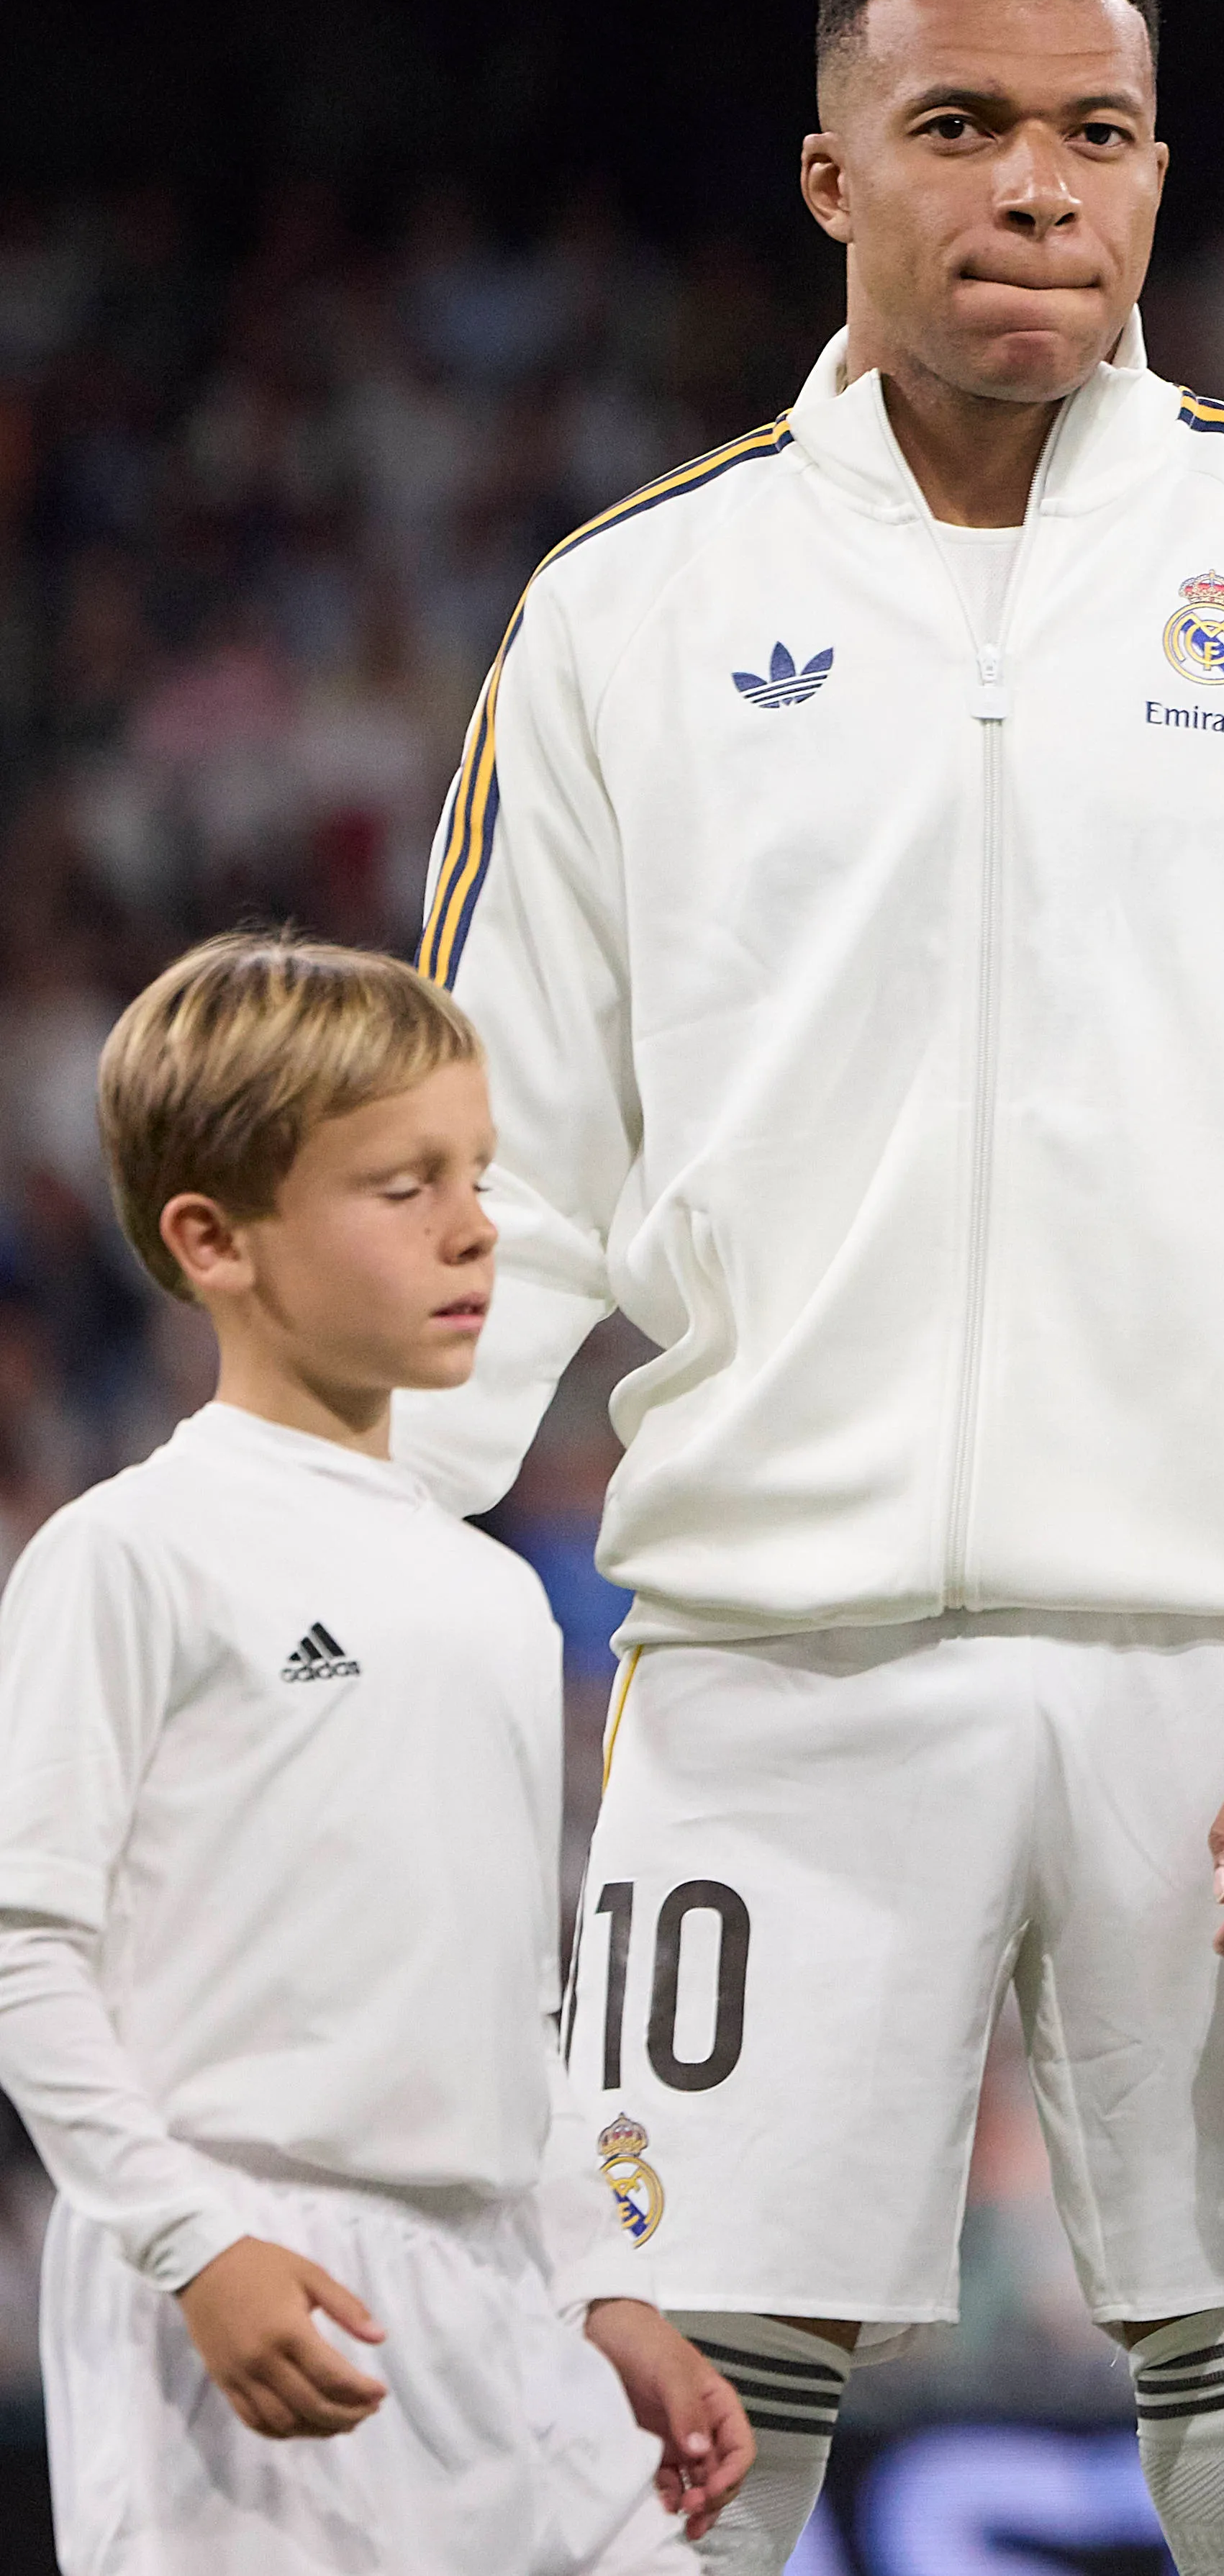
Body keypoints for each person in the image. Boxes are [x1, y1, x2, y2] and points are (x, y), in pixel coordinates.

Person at [402, 0, 1224, 2576]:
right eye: (961, 129)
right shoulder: (629, 608)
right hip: (770, 1662)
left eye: (1096, 135)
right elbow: (484, 1167)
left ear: (1160, 175)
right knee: (680, 2423)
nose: (1037, 189)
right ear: (828, 174)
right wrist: (347, 1561)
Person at [0, 934, 751, 2573]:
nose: (475, 1227)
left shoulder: (491, 1594)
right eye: (401, 1185)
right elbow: (21, 1955)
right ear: (215, 1238)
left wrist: (603, 2286)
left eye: (476, 1173)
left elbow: (514, 2009)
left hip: (499, 2302)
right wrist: (199, 2246)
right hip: (257, 2294)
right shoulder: (132, 1553)